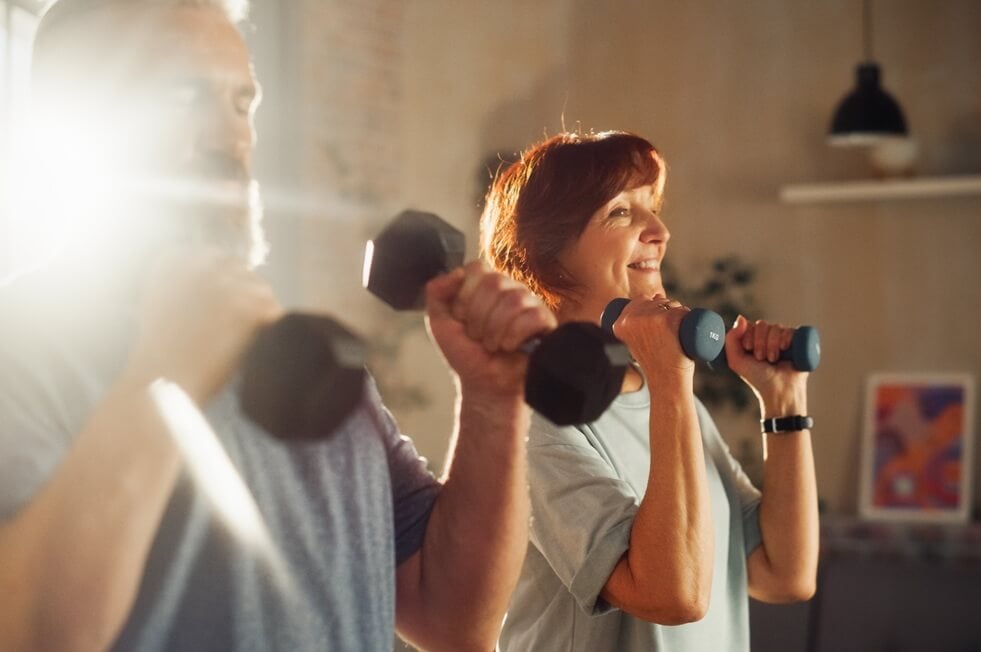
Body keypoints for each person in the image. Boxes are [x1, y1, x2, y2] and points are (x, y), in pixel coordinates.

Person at [0, 1, 551, 649]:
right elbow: (28, 631)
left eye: (241, 103)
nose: (230, 139)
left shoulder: (303, 353)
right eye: (184, 95)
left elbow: (454, 619)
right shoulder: (21, 348)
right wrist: (162, 374)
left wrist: (492, 404)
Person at [481, 131, 820, 650]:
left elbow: (782, 574)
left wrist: (783, 402)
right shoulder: (533, 423)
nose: (659, 231)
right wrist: (670, 382)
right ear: (547, 256)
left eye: (653, 208)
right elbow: (672, 597)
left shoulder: (668, 402)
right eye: (620, 212)